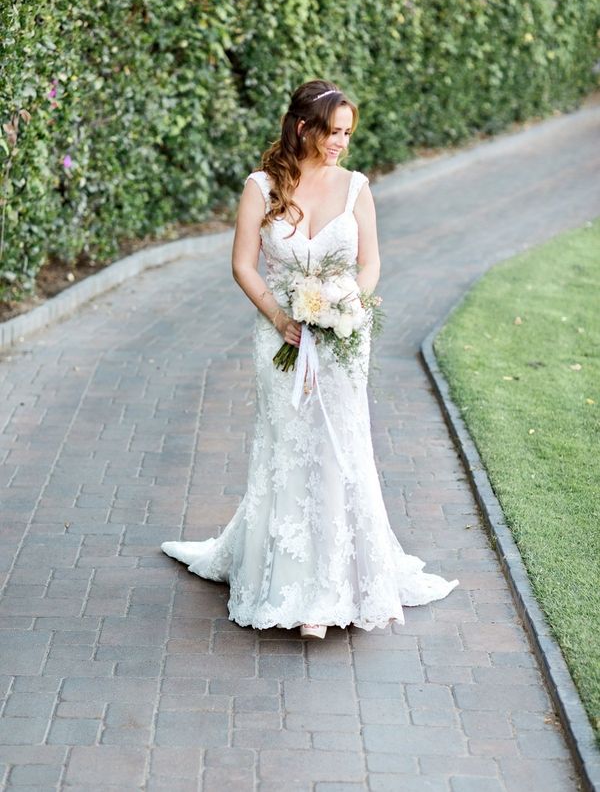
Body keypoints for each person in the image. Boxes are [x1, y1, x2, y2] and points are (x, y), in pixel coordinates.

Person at [161, 79, 459, 639]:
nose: (339, 143)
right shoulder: (262, 186)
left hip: (343, 338)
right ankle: (294, 586)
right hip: (281, 337)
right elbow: (244, 266)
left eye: (347, 133)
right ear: (303, 127)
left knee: (341, 445)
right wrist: (280, 316)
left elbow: (369, 263)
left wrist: (351, 303)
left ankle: (338, 585)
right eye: (331, 132)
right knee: (290, 446)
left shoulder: (356, 188)